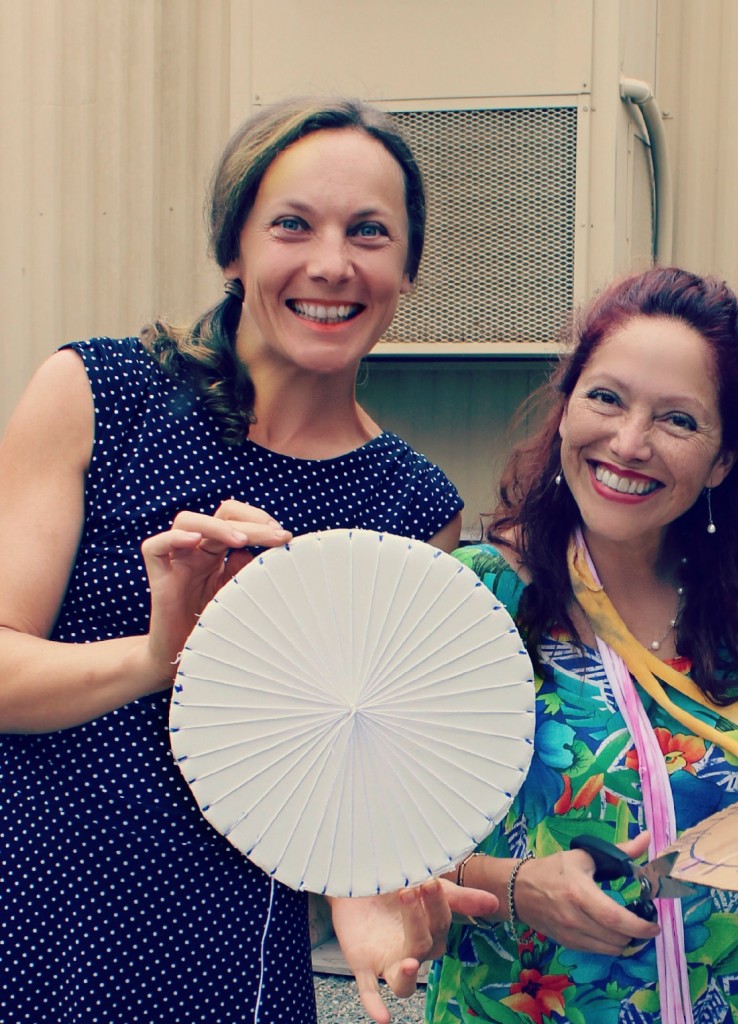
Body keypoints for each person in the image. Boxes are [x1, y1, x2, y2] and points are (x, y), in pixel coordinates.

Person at [0, 96, 495, 1024]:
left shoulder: (411, 508)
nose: (331, 264)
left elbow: (352, 774)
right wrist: (160, 657)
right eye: (292, 225)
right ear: (235, 249)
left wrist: (372, 900)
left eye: (370, 232)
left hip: (230, 955)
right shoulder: (99, 395)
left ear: (408, 268)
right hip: (35, 912)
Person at [421, 266, 738, 1024]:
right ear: (566, 409)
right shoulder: (476, 599)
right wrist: (515, 886)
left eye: (678, 421)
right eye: (605, 398)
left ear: (722, 460)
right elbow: (377, 844)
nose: (629, 443)